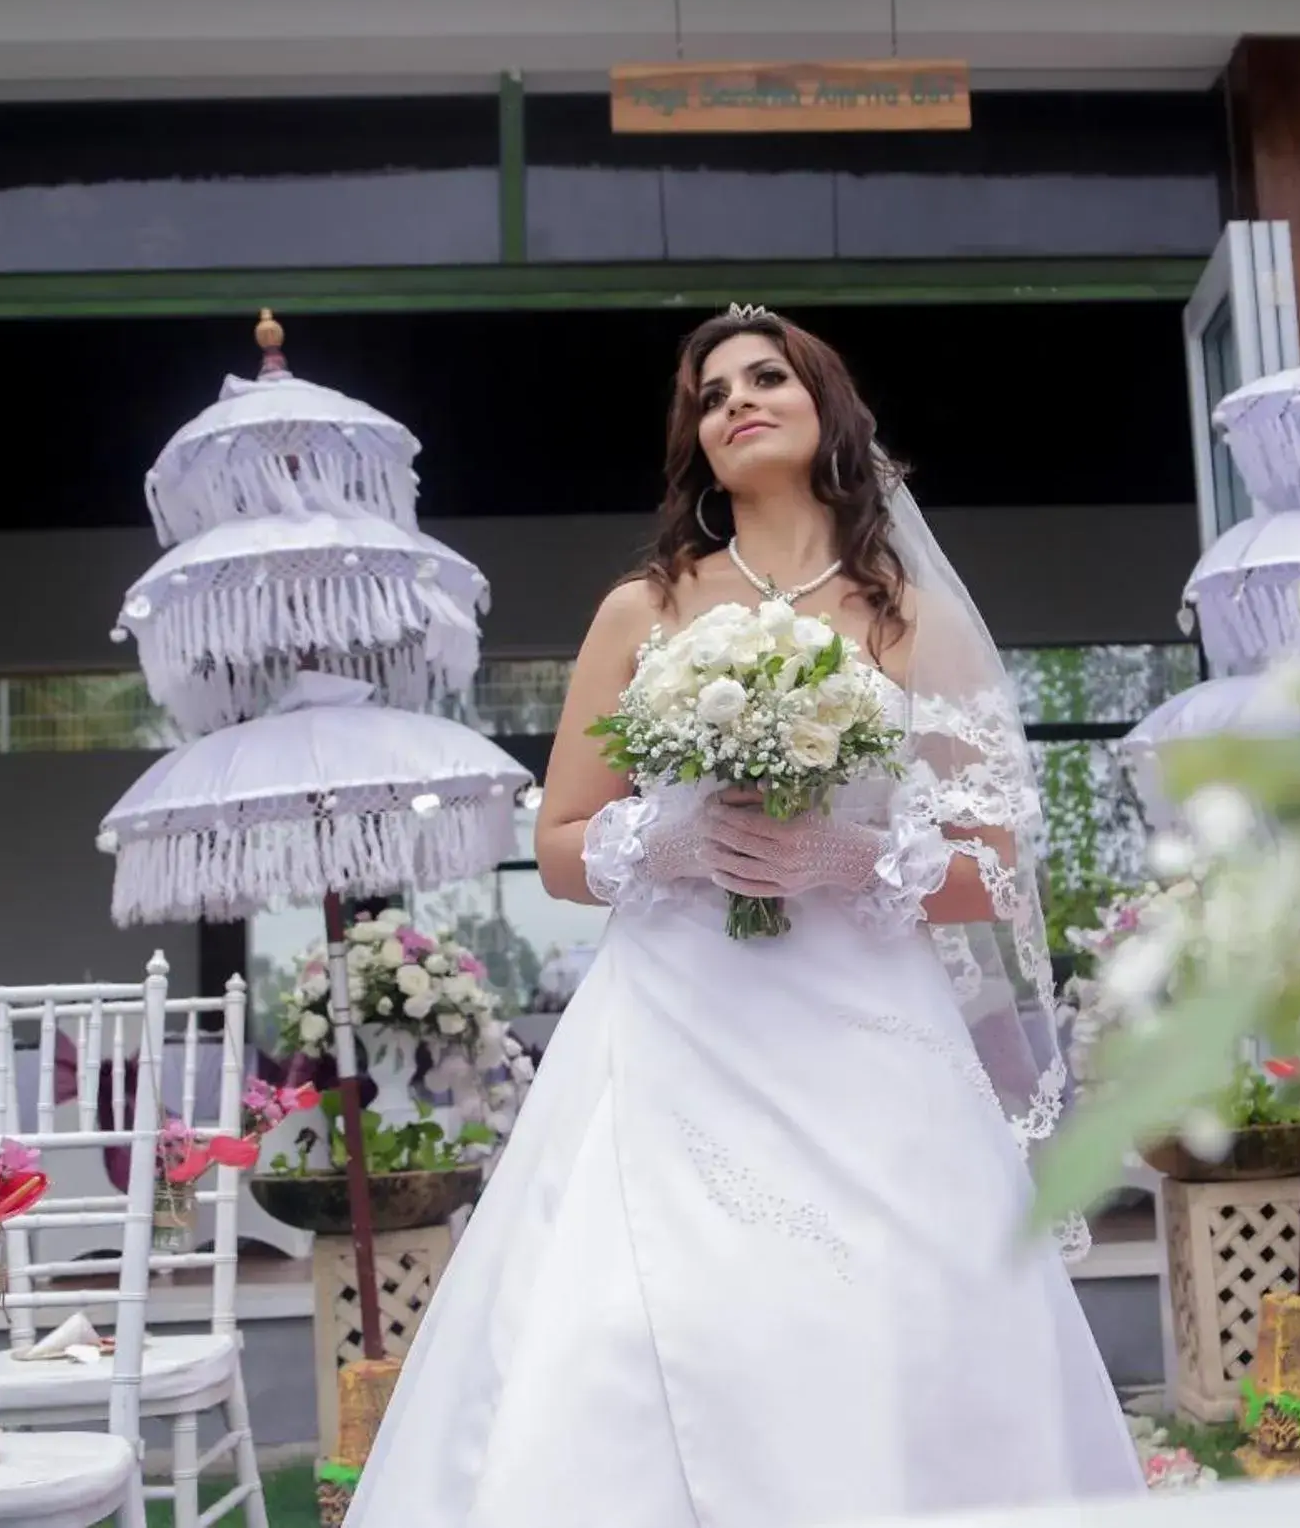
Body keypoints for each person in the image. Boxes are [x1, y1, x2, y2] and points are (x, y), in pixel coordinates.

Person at [346, 307, 1144, 1527]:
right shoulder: (645, 609)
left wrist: (847, 855)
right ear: (698, 445)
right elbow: (560, 846)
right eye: (709, 396)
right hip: (672, 1021)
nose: (735, 403)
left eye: (765, 378)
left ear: (828, 408)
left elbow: (992, 871)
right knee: (619, 1320)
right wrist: (659, 842)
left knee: (895, 1314)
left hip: (869, 1029)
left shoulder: (906, 619)